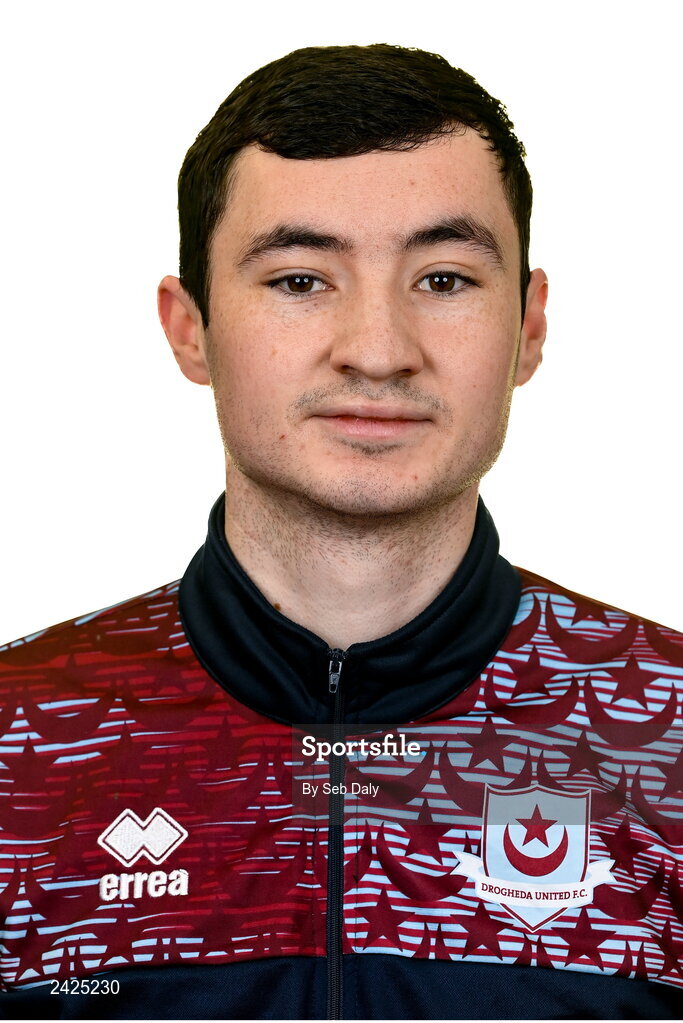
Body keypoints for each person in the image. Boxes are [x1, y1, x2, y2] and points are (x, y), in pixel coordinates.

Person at [0, 43, 681, 1021]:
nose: (376, 351)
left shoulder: (667, 737)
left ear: (529, 326)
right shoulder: (18, 743)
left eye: (442, 279)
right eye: (298, 280)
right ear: (189, 328)